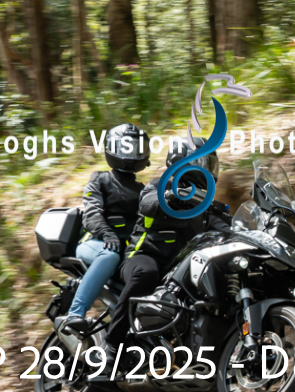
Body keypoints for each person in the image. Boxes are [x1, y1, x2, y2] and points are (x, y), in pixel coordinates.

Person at [97, 137, 230, 367]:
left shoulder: (204, 205)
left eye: (210, 163)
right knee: (146, 273)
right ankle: (112, 345)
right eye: (204, 161)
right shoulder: (161, 185)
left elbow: (228, 228)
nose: (208, 168)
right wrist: (171, 198)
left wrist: (251, 231)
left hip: (176, 270)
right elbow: (147, 203)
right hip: (142, 256)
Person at [54, 123, 150, 340]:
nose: (131, 153)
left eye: (137, 148)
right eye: (126, 147)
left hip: (126, 252)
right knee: (109, 255)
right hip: (95, 244)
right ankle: (75, 314)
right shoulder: (100, 179)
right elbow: (91, 214)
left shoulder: (143, 190)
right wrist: (106, 233)